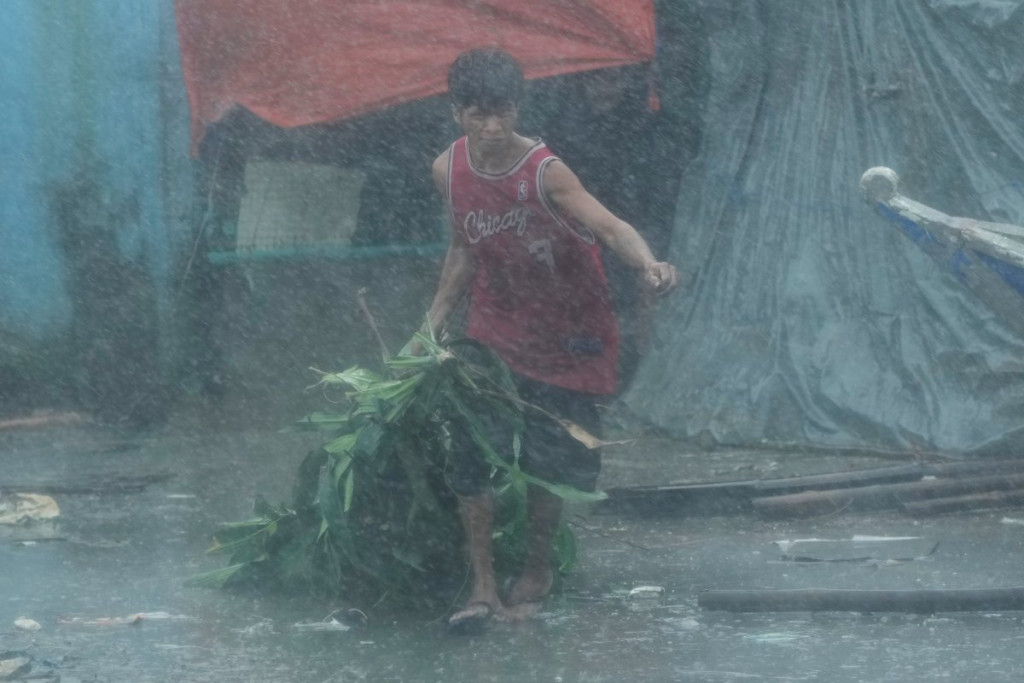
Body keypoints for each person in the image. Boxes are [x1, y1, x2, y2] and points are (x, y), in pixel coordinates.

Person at [424, 49, 678, 630]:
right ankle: (482, 584)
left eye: (503, 113)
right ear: (457, 112)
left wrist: (648, 264)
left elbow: (609, 224)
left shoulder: (545, 171)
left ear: (518, 109)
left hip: (568, 330)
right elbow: (463, 248)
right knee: (473, 451)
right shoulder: (448, 169)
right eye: (479, 114)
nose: (492, 128)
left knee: (552, 456)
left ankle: (536, 568)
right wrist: (432, 323)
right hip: (496, 329)